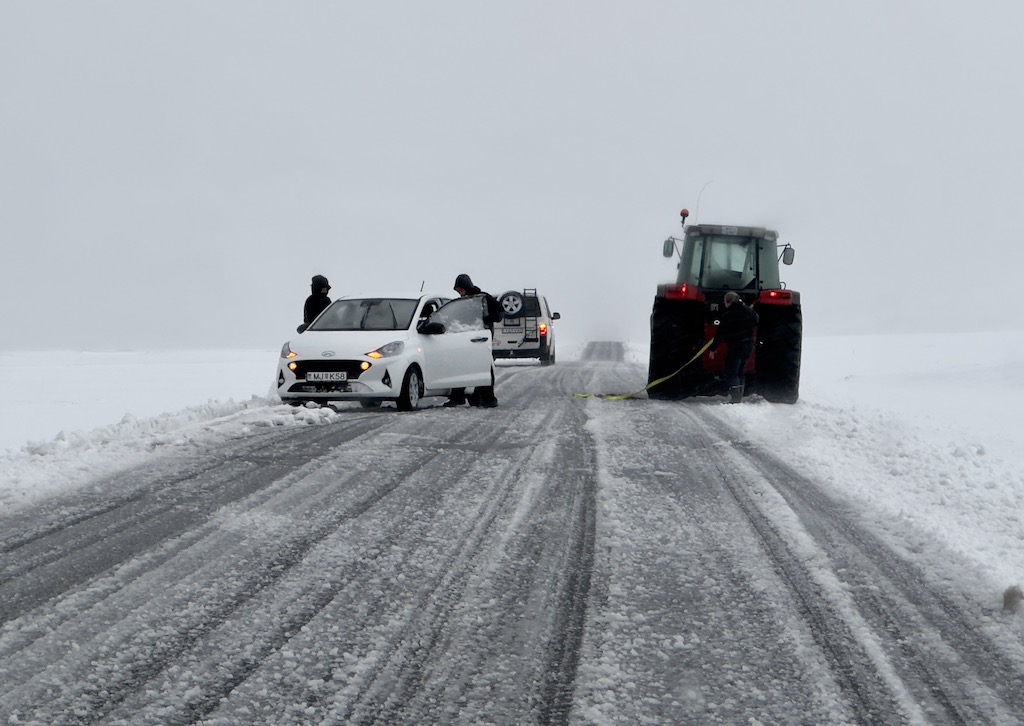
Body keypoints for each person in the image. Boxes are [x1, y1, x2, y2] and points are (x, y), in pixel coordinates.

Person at [445, 273, 501, 408]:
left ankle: (489, 399)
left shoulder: (483, 298)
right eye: (457, 291)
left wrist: (489, 318)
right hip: (464, 338)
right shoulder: (462, 302)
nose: (459, 293)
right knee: (461, 366)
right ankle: (457, 397)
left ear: (466, 287)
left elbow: (499, 313)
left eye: (461, 290)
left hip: (481, 339)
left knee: (481, 367)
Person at [709, 291, 759, 403]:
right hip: (748, 346)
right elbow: (756, 319)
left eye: (725, 302)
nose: (724, 305)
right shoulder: (749, 312)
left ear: (729, 301)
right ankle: (739, 395)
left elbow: (720, 333)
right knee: (741, 371)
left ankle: (735, 398)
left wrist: (713, 349)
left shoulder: (729, 315)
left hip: (736, 347)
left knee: (733, 372)